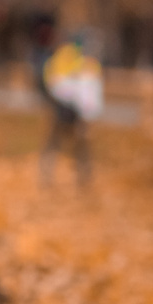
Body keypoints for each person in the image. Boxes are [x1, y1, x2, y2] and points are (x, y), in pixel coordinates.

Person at [39, 25, 102, 186]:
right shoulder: (76, 59)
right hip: (67, 111)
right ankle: (78, 179)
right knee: (67, 145)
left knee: (62, 145)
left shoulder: (71, 58)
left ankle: (54, 178)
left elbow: (51, 81)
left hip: (67, 111)